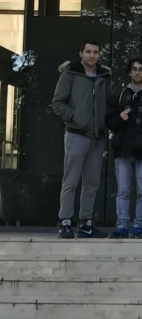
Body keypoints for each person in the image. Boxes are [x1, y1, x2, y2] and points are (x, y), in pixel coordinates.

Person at [52, 39, 111, 239]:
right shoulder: (70, 74)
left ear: (99, 55)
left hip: (97, 137)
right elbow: (58, 103)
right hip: (76, 134)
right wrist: (75, 118)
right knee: (70, 181)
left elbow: (107, 103)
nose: (92, 55)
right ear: (81, 53)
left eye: (95, 52)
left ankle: (86, 224)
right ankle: (65, 222)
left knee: (92, 183)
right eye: (88, 51)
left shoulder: (104, 76)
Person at [106, 58, 142, 239]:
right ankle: (122, 226)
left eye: (141, 69)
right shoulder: (120, 94)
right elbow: (110, 122)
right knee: (123, 191)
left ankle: (139, 227)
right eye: (134, 69)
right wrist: (120, 119)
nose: (137, 72)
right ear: (129, 72)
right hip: (123, 150)